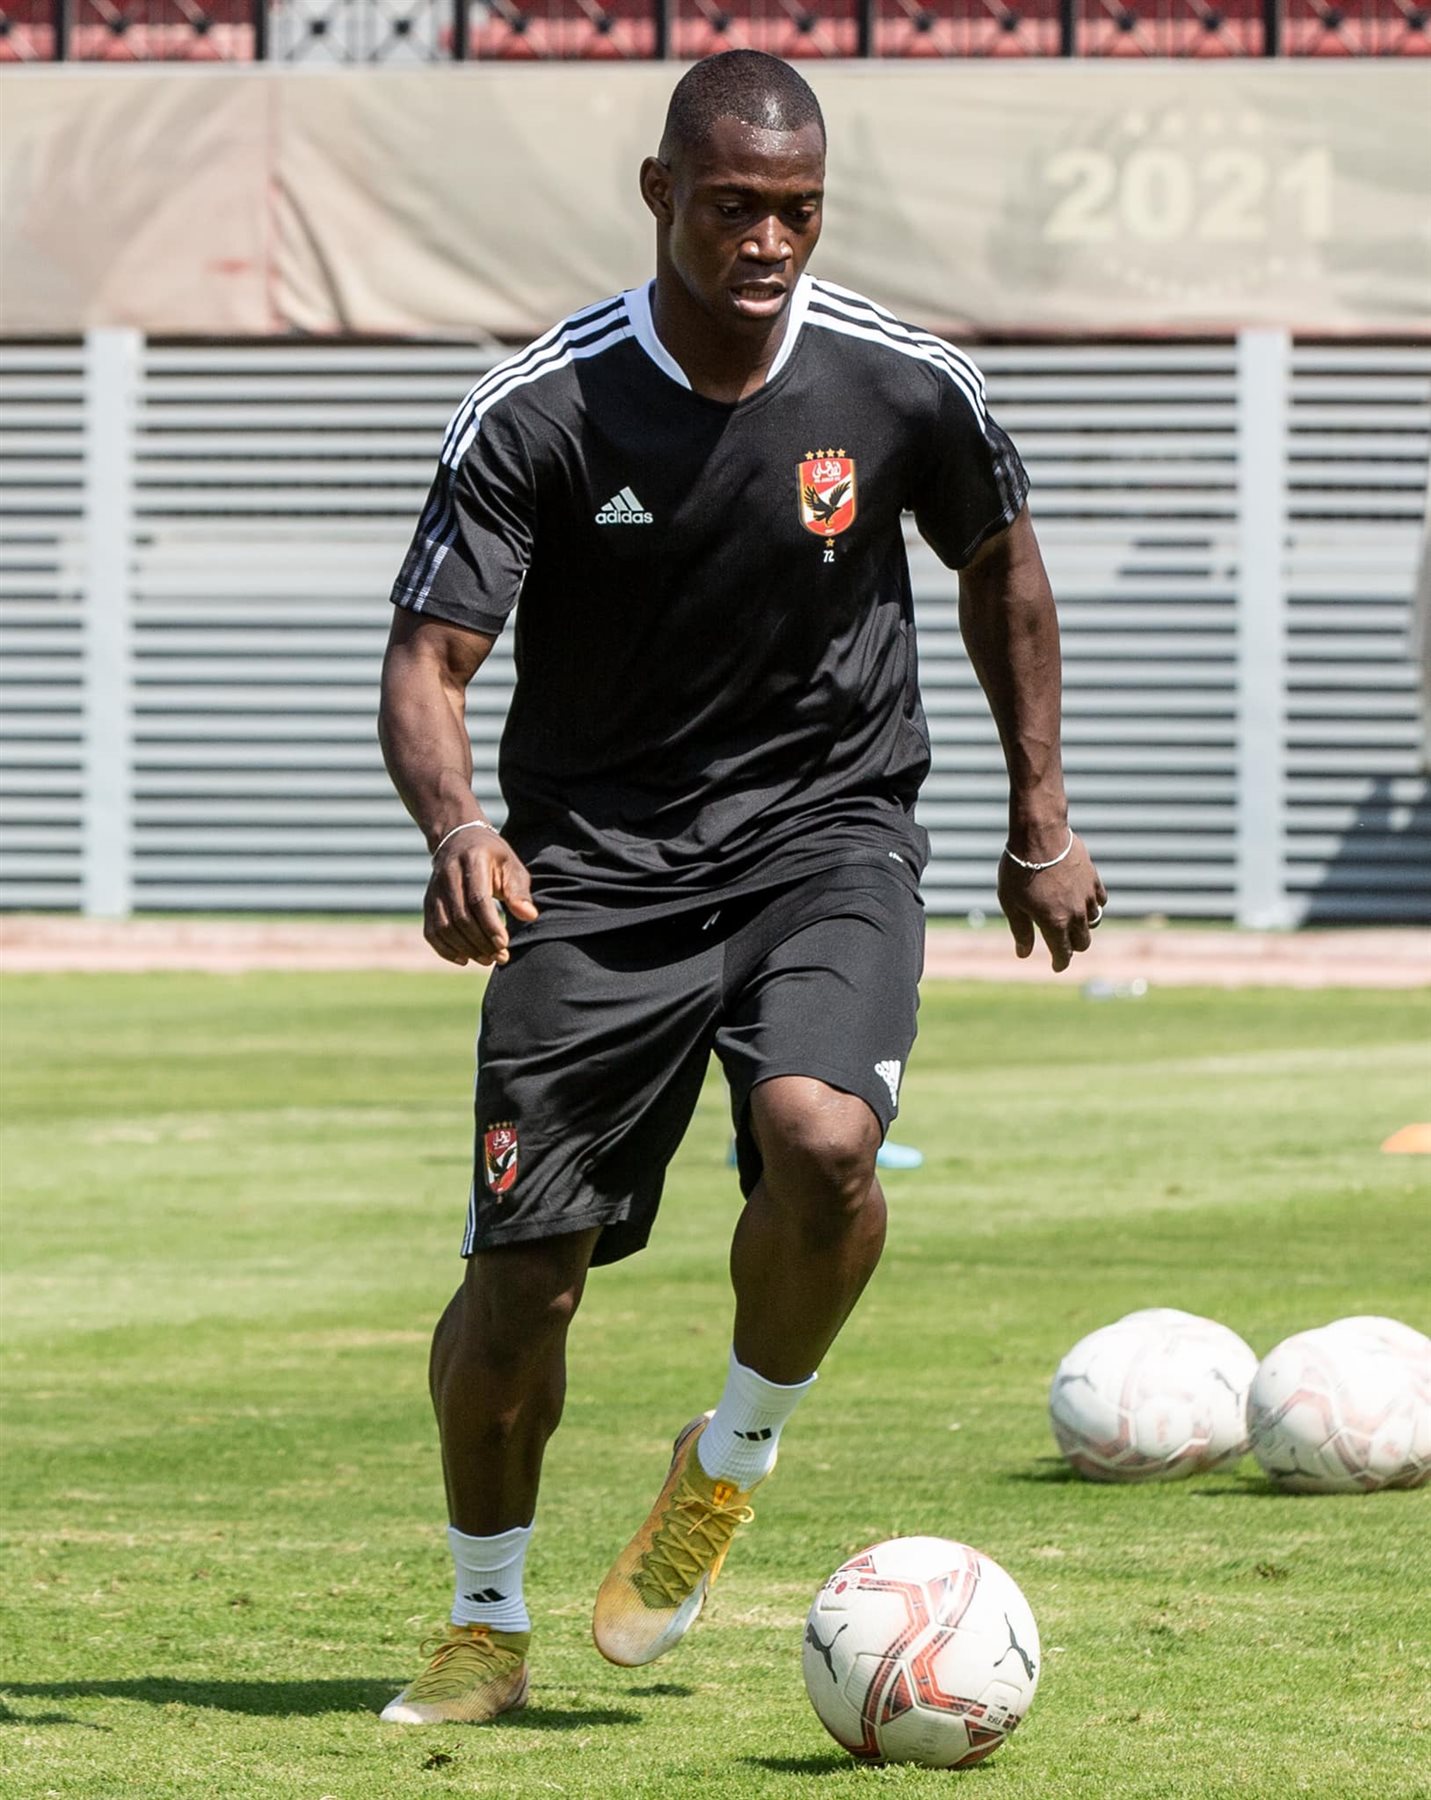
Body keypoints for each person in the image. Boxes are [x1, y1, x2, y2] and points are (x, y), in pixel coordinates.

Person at [376, 49, 1105, 1726]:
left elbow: (1005, 573)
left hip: (827, 839)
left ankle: (730, 1460)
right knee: (524, 1282)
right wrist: (457, 828)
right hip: (595, 875)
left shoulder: (904, 385)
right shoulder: (541, 408)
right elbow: (429, 658)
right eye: (731, 209)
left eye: (797, 210)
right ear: (660, 195)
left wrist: (1042, 817)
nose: (767, 242)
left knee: (824, 1140)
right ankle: (486, 1623)